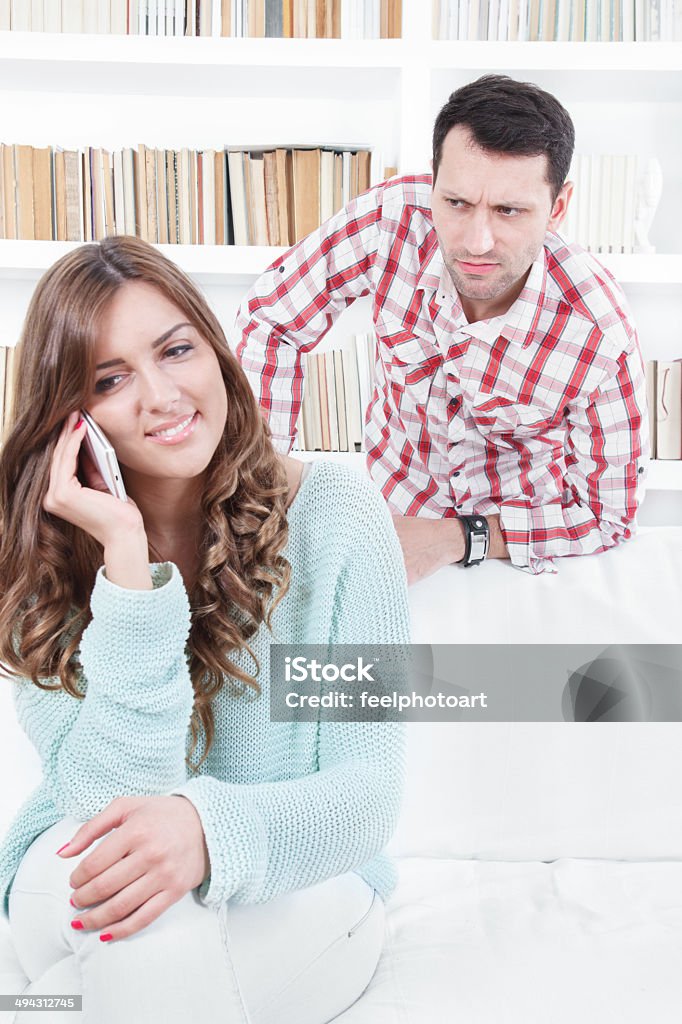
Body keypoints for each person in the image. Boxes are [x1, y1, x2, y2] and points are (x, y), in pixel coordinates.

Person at [0, 236, 411, 1024]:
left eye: (177, 350)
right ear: (69, 421)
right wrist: (127, 566)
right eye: (110, 379)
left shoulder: (335, 520)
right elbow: (109, 799)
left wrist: (205, 830)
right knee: (140, 914)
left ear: (217, 354)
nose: (161, 395)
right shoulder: (42, 564)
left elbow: (367, 792)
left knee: (138, 951)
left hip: (308, 869)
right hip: (77, 858)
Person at [235, 74, 649, 580]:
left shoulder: (600, 331)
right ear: (432, 185)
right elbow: (272, 319)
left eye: (509, 210)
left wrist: (457, 538)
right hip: (386, 520)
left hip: (518, 557)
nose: (477, 242)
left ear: (557, 208)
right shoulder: (392, 218)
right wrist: (258, 494)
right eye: (456, 203)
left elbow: (608, 516)